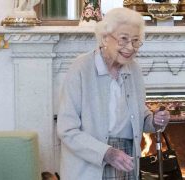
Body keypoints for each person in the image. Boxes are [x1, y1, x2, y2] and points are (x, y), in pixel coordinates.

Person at [57, 7, 170, 180]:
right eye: (123, 39)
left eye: (135, 41)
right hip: (91, 163)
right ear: (104, 38)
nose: (130, 47)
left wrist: (153, 120)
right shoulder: (80, 68)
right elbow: (67, 129)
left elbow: (138, 115)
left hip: (126, 157)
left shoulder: (134, 70)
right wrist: (107, 153)